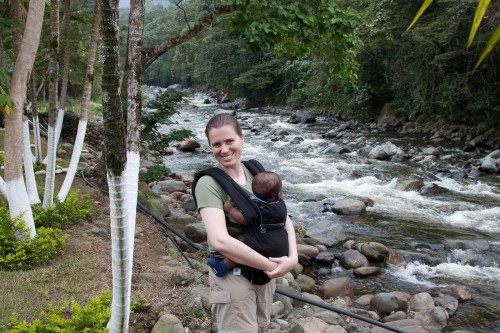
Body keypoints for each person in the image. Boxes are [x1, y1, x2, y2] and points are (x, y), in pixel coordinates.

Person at [194, 113, 298, 333]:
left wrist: (293, 258)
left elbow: (282, 216)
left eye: (229, 141)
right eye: (216, 144)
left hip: (263, 276)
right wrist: (273, 266)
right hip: (235, 278)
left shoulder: (257, 172)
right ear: (210, 147)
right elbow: (220, 241)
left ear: (242, 138)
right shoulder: (209, 183)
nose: (224, 149)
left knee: (261, 328)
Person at [207, 171, 289, 278]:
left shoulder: (257, 208)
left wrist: (230, 209)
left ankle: (222, 267)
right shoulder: (281, 205)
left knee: (241, 250)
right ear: (279, 194)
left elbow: (245, 220)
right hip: (281, 247)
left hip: (262, 245)